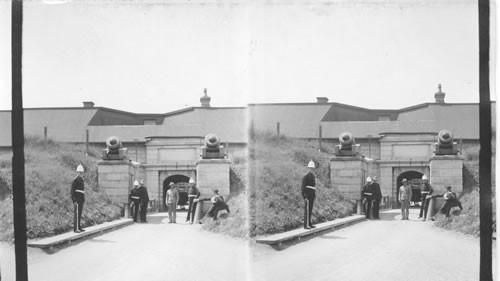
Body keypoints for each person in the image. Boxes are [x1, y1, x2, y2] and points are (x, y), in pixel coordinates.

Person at [301, 160, 317, 229]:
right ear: (308, 168)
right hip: (307, 195)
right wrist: (304, 196)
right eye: (310, 168)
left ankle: (309, 223)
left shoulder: (313, 176)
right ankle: (306, 225)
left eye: (312, 168)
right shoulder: (306, 176)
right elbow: (303, 187)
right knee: (307, 210)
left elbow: (313, 187)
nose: (311, 169)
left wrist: (314, 194)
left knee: (310, 209)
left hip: (312, 195)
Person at [71, 164, 85, 233]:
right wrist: (74, 200)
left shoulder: (81, 180)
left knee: (79, 213)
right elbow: (72, 191)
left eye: (81, 172)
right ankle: (76, 229)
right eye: (79, 172)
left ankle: (79, 226)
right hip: (77, 198)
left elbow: (82, 191)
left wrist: (83, 199)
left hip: (81, 199)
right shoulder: (75, 180)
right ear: (77, 172)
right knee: (76, 214)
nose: (80, 174)